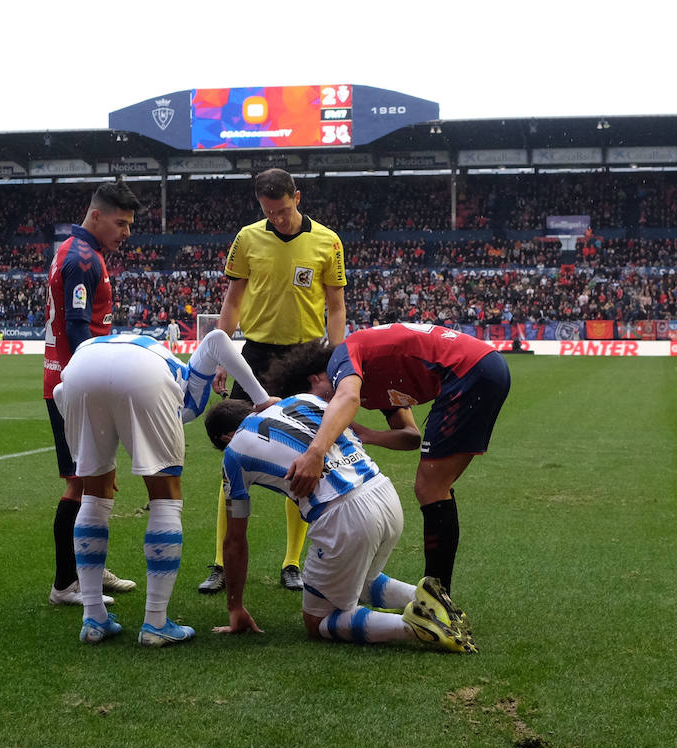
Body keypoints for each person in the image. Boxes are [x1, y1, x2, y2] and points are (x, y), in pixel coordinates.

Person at [204, 396, 477, 653]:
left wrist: (235, 606)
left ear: (226, 437)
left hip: (343, 514)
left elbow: (235, 540)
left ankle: (416, 627)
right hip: (383, 491)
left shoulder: (234, 452)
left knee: (317, 619)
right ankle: (431, 601)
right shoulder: (303, 399)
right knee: (362, 578)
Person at [55, 329, 271, 647]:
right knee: (165, 496)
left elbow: (61, 394)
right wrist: (262, 399)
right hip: (143, 374)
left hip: (78, 372)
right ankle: (155, 622)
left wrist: (95, 464)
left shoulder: (152, 351)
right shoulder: (186, 377)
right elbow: (216, 339)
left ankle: (93, 618)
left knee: (93, 496)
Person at [267, 322, 512, 594]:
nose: (322, 409)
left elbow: (347, 398)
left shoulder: (341, 359)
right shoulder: (370, 378)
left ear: (315, 379)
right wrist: (368, 435)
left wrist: (316, 452)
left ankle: (438, 597)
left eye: (317, 402)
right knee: (434, 489)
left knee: (429, 487)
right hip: (480, 367)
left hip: (467, 370)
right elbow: (410, 436)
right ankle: (438, 596)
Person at [198, 167, 348, 595]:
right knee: (233, 459)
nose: (278, 219)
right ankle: (221, 563)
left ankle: (292, 562)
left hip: (304, 356)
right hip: (256, 354)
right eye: (269, 212)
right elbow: (233, 299)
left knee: (302, 460)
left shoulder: (328, 241)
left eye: (283, 210)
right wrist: (221, 354)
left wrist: (335, 360)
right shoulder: (247, 239)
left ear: (296, 198)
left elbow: (336, 307)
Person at [43, 182, 142, 609]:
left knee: (96, 483)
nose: (126, 233)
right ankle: (66, 583)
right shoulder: (82, 258)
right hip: (75, 387)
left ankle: (90, 569)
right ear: (96, 216)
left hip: (71, 382)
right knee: (79, 486)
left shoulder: (80, 252)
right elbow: (80, 331)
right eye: (121, 223)